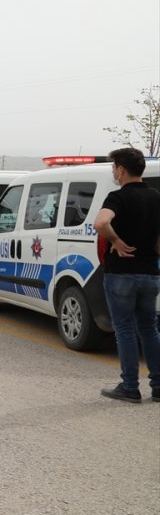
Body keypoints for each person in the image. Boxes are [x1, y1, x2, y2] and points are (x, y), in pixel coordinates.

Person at [93, 147, 160, 403]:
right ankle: (159, 386)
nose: (113, 172)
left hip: (122, 273)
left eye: (113, 168)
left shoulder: (117, 197)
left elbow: (101, 223)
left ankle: (130, 387)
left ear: (121, 169)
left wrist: (117, 241)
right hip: (150, 272)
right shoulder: (156, 197)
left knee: (124, 329)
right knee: (149, 328)